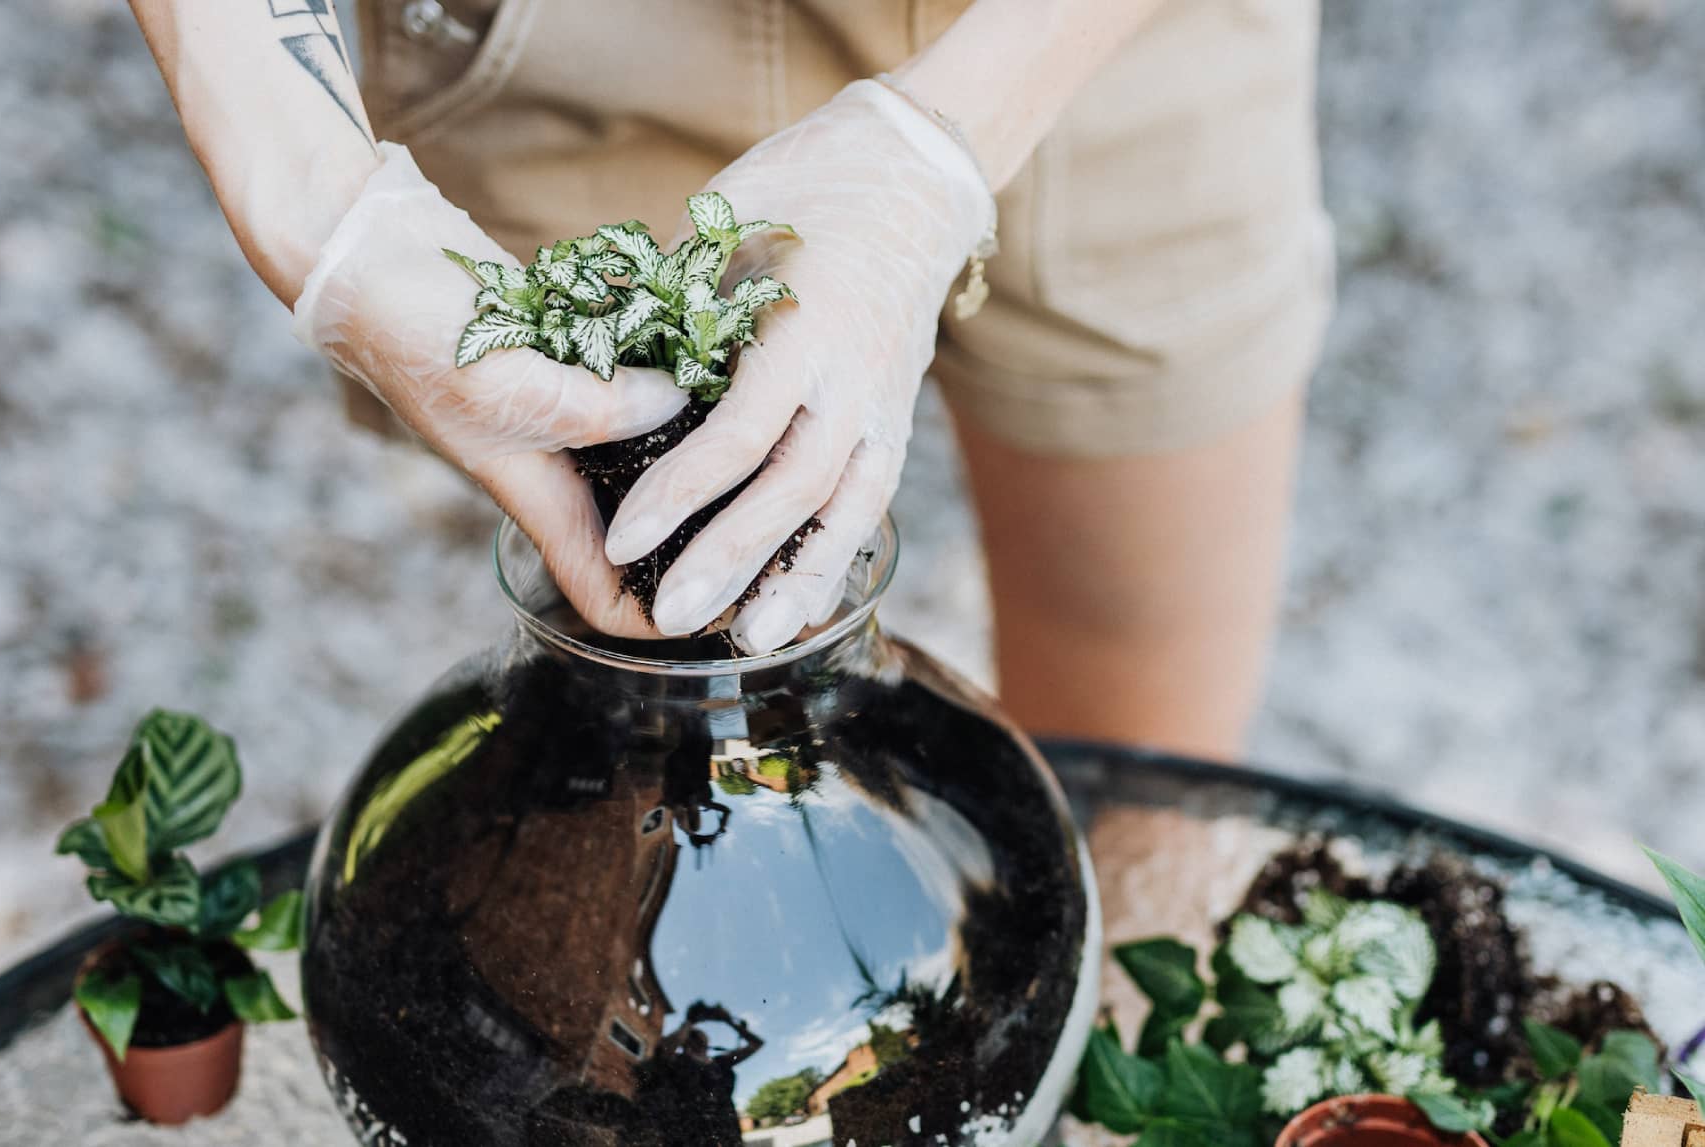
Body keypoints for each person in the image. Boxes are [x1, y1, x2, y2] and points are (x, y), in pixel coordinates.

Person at [126, 0, 1331, 759]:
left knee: (1136, 757)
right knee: (641, 712)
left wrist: (935, 149)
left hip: (1102, 40)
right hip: (580, 40)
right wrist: (311, 196)